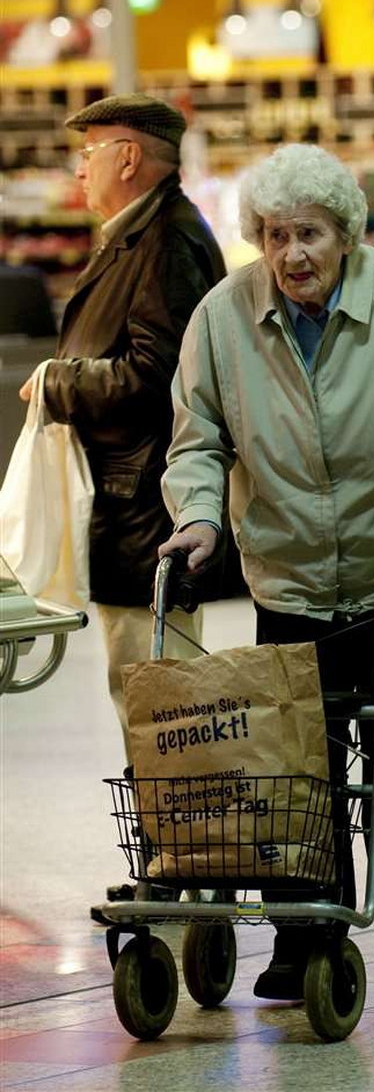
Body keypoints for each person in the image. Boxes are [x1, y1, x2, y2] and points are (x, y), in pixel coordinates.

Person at [159, 143, 374, 997]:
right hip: (291, 573)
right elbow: (199, 439)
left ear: (346, 234)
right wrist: (197, 515)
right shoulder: (223, 315)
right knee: (295, 763)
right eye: (272, 234)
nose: (291, 253)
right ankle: (303, 937)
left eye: (309, 233)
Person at [18, 94, 226, 778]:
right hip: (128, 507)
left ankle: (187, 865)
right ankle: (174, 865)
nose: (80, 170)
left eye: (89, 152)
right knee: (149, 698)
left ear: (128, 157)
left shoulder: (167, 241)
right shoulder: (139, 234)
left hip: (149, 514)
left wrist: (58, 381)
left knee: (166, 707)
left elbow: (156, 374)